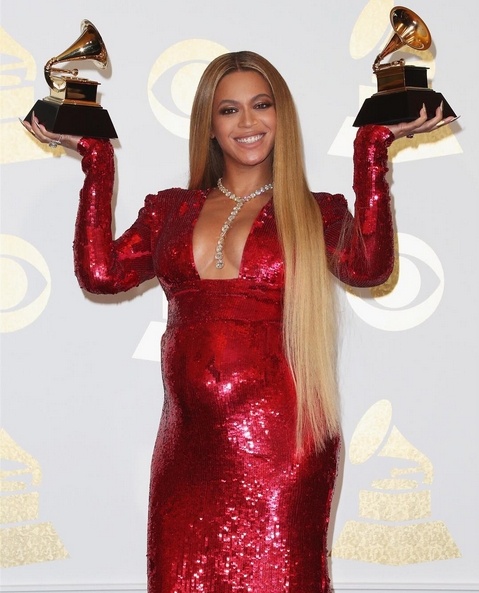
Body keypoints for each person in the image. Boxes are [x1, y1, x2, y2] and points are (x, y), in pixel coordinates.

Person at [22, 50, 454, 593]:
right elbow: (101, 273)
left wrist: (371, 152)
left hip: (283, 451)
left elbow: (370, 268)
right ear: (209, 124)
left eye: (261, 105)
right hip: (186, 452)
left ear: (282, 116)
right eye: (229, 110)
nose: (248, 122)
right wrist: (96, 161)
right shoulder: (170, 210)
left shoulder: (314, 212)